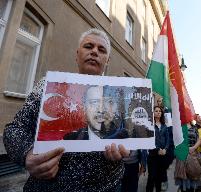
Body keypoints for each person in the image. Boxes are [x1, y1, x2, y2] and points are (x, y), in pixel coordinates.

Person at [3, 28, 130, 191]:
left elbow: (126, 138)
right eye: (88, 46)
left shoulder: (118, 97)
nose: (94, 52)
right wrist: (27, 154)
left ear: (107, 61)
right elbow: (15, 129)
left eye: (101, 49)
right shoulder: (49, 87)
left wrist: (119, 156)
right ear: (77, 54)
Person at [63, 85, 128, 140]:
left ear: (116, 107)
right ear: (85, 107)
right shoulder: (69, 139)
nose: (101, 110)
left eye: (109, 102)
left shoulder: (128, 138)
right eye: (94, 102)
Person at [175, 122, 201, 192]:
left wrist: (193, 148)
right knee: (183, 178)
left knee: (192, 176)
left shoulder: (194, 127)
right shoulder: (178, 127)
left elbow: (199, 140)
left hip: (193, 154)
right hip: (182, 155)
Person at [146, 106, 169, 192]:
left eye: (160, 111)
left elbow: (168, 139)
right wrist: (158, 149)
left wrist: (165, 149)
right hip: (153, 155)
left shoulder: (164, 126)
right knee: (151, 177)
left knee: (159, 177)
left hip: (162, 155)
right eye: (156, 111)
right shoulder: (150, 125)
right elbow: (149, 140)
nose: (158, 112)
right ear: (153, 113)